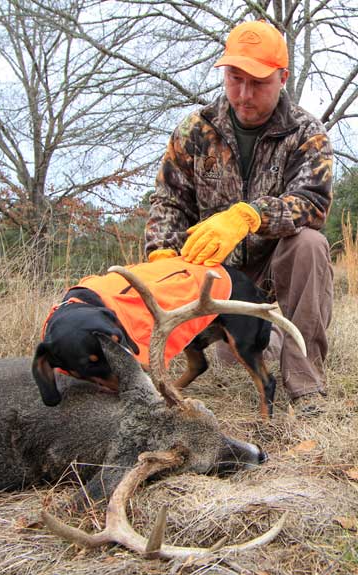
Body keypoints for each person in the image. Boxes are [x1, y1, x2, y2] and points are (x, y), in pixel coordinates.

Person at [144, 20, 333, 416]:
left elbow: (313, 203)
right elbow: (167, 202)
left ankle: (306, 386)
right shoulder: (195, 130)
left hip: (273, 265)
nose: (244, 94)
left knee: (310, 244)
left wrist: (250, 216)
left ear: (282, 78)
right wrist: (162, 256)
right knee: (238, 355)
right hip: (214, 272)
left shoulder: (306, 133)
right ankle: (253, 339)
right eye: (235, 79)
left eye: (258, 83)